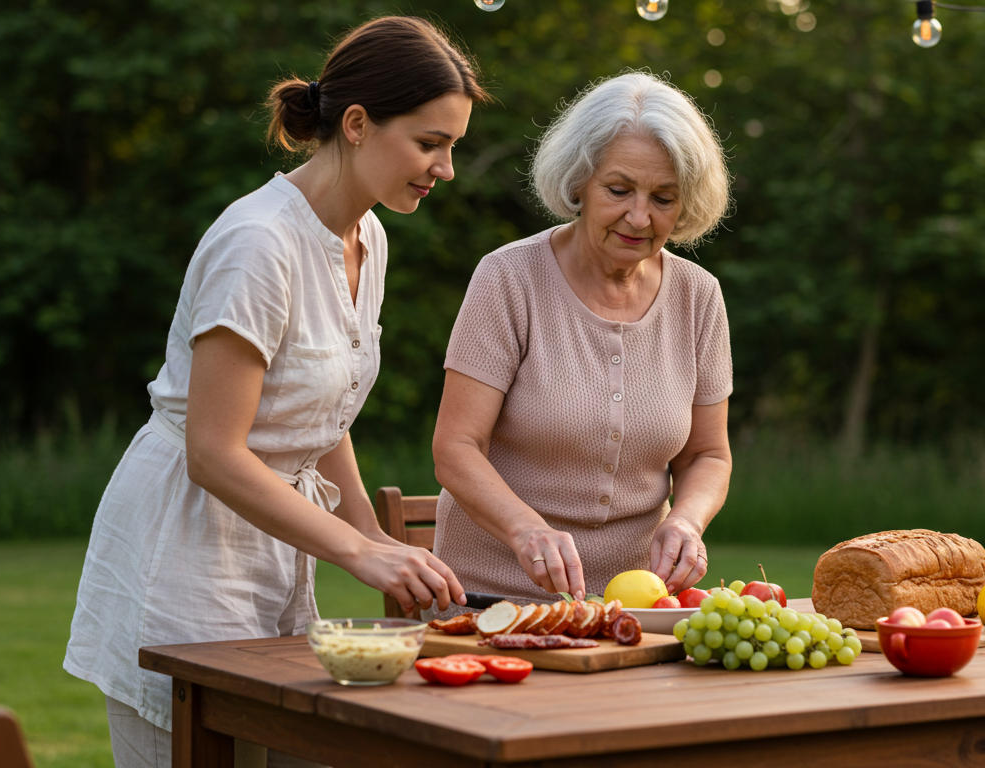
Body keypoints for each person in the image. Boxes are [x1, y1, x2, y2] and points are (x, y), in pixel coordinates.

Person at [64, 17, 487, 768]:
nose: (446, 168)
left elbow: (320, 415)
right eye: (431, 143)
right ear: (357, 125)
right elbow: (214, 455)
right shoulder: (258, 243)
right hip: (186, 553)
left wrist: (378, 536)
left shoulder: (370, 236)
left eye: (451, 146)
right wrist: (360, 552)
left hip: (274, 548)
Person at [431, 72, 734, 612]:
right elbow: (455, 450)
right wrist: (527, 531)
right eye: (619, 190)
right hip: (493, 603)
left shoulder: (699, 296)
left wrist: (687, 519)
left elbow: (708, 455)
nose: (639, 217)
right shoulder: (509, 278)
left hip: (634, 610)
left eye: (663, 198)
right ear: (579, 182)